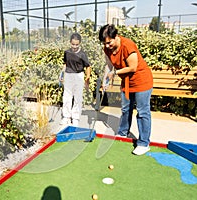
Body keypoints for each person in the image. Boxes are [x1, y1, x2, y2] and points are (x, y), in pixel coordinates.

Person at [98, 24, 153, 156]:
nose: (107, 46)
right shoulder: (107, 49)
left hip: (141, 81)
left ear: (116, 37)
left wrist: (115, 73)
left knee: (142, 111)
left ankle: (144, 143)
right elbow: (109, 65)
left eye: (109, 42)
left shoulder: (128, 45)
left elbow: (133, 67)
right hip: (127, 82)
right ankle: (123, 133)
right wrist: (106, 79)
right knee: (125, 109)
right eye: (104, 43)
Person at [60, 33, 91, 127]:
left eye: (77, 44)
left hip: (79, 75)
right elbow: (65, 64)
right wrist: (61, 74)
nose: (74, 46)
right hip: (68, 75)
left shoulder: (82, 54)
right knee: (67, 96)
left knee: (78, 97)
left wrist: (87, 78)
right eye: (73, 44)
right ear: (70, 43)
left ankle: (75, 118)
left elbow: (88, 67)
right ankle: (66, 117)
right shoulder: (67, 52)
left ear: (80, 43)